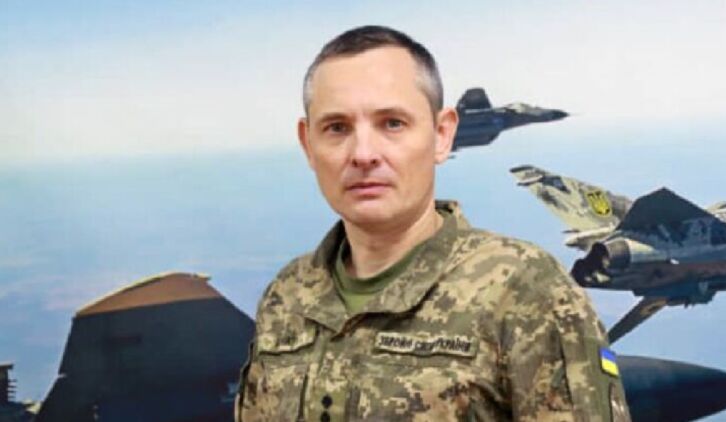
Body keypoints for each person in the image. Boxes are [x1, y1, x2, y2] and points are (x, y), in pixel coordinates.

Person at [235, 25, 630, 422]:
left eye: (392, 123)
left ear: (442, 135)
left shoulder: (526, 290)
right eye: (337, 128)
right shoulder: (287, 296)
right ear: (308, 144)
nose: (363, 154)